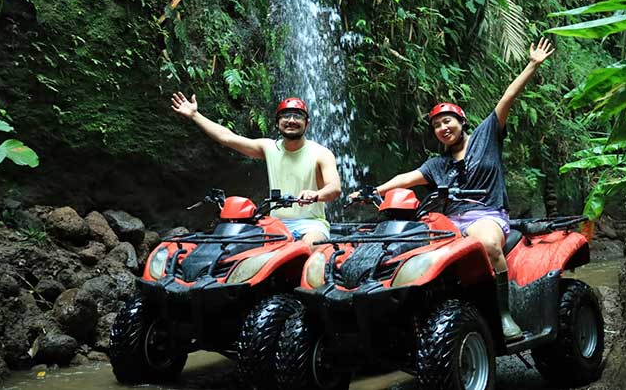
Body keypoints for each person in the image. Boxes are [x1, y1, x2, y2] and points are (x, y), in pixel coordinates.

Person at [349, 38, 555, 341]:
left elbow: (507, 98)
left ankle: (503, 313)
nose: (443, 128)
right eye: (437, 126)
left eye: (448, 121)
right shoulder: (437, 163)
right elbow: (406, 178)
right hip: (447, 222)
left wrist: (533, 64)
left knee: (486, 245)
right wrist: (372, 190)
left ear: (461, 122)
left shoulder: (487, 136)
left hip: (487, 216)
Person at [171, 94, 341, 248]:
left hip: (311, 223)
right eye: (285, 116)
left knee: (308, 248)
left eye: (298, 116)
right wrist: (195, 115)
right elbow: (228, 138)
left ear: (307, 122)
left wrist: (315, 195)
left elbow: (334, 188)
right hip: (275, 223)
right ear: (277, 122)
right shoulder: (268, 147)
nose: (291, 120)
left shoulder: (321, 153)